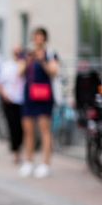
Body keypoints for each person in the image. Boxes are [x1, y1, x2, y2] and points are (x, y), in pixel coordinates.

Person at [18, 27, 59, 178]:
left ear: (45, 39)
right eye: (36, 37)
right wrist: (29, 60)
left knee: (44, 130)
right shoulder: (27, 54)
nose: (38, 39)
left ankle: (45, 163)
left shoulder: (50, 54)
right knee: (28, 130)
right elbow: (19, 72)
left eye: (41, 37)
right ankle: (28, 161)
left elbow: (54, 72)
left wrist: (42, 61)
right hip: (29, 95)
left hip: (44, 95)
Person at [0, 47, 25, 163]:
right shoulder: (6, 66)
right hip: (9, 100)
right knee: (13, 127)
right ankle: (15, 152)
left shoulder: (25, 65)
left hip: (23, 101)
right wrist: (4, 95)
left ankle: (20, 149)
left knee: (22, 128)